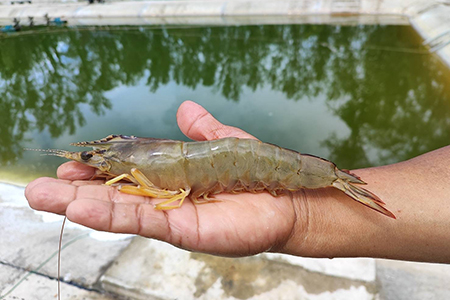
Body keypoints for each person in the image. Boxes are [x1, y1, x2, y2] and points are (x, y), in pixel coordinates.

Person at [25, 101, 450, 263]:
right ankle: (338, 180)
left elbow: (160, 192)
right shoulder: (126, 157)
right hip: (241, 165)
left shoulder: (125, 169)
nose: (90, 162)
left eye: (92, 157)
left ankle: (336, 180)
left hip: (247, 165)